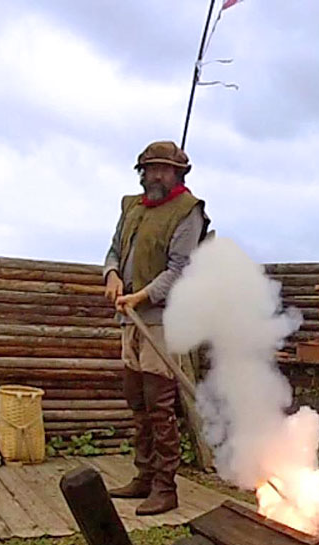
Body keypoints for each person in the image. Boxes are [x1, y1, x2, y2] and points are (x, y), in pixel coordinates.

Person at [103, 141, 210, 515]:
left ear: (178, 174)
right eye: (150, 169)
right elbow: (115, 249)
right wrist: (113, 275)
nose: (156, 176)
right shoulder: (131, 206)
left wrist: (142, 296)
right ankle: (144, 476)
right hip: (128, 318)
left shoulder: (187, 212)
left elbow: (179, 269)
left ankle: (166, 487)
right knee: (136, 400)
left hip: (162, 321)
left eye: (164, 169)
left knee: (159, 404)